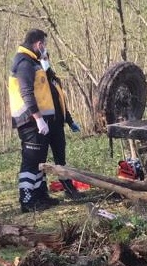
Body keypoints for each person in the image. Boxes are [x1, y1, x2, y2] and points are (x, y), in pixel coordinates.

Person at [8, 29, 61, 213]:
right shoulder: (24, 62)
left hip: (38, 120)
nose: (45, 48)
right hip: (29, 121)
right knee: (31, 161)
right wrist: (38, 118)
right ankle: (27, 199)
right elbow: (27, 93)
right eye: (44, 45)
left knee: (40, 160)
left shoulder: (33, 61)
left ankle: (40, 195)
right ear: (38, 44)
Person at [39, 52, 82, 200]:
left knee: (61, 160)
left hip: (57, 125)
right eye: (42, 59)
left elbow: (61, 104)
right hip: (43, 126)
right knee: (41, 161)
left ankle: (69, 188)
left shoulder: (54, 80)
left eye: (46, 59)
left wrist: (70, 121)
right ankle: (42, 192)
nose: (45, 62)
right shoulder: (37, 80)